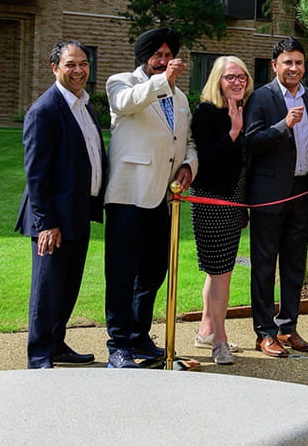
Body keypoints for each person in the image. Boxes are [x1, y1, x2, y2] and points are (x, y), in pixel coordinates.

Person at [103, 27, 198, 368]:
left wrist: (188, 166)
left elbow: (187, 141)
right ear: (144, 57)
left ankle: (139, 335)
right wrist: (163, 81)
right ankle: (119, 345)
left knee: (153, 272)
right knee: (121, 273)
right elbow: (125, 104)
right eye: (157, 55)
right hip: (128, 194)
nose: (163, 61)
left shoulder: (181, 98)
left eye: (168, 55)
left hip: (163, 198)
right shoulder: (122, 82)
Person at [16, 40, 106, 369]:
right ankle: (40, 356)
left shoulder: (84, 105)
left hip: (79, 213)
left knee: (67, 287)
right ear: (55, 68)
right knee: (47, 289)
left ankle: (56, 344)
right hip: (52, 221)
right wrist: (46, 223)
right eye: (71, 64)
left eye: (83, 63)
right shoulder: (44, 111)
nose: (79, 70)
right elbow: (36, 174)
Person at [245, 37, 308, 358]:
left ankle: (288, 327)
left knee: (294, 266)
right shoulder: (261, 97)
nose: (294, 68)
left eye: (299, 62)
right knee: (264, 267)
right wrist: (283, 125)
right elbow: (251, 142)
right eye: (287, 62)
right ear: (275, 65)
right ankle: (265, 333)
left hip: (303, 192)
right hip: (269, 196)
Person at [188, 56, 252, 365]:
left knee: (220, 272)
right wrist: (234, 132)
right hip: (211, 200)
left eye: (242, 77)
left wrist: (244, 205)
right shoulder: (206, 112)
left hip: (234, 199)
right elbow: (207, 161)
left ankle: (206, 331)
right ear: (218, 80)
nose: (237, 82)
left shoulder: (242, 108)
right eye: (231, 77)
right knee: (220, 272)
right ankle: (220, 341)